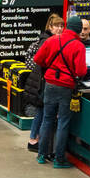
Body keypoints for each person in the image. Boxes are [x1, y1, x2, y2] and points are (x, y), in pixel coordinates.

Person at [32, 14, 87, 168]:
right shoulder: (78, 46)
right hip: (66, 86)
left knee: (47, 119)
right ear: (77, 30)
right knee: (63, 121)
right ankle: (59, 159)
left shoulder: (52, 40)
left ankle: (42, 155)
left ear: (67, 26)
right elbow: (81, 71)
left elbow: (37, 59)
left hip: (50, 83)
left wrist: (50, 65)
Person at [24, 13, 64, 153]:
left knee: (41, 111)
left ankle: (34, 139)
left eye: (61, 26)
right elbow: (42, 61)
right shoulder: (46, 41)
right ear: (50, 27)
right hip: (42, 82)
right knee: (41, 111)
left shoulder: (49, 39)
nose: (59, 29)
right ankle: (34, 139)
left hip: (42, 81)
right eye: (57, 26)